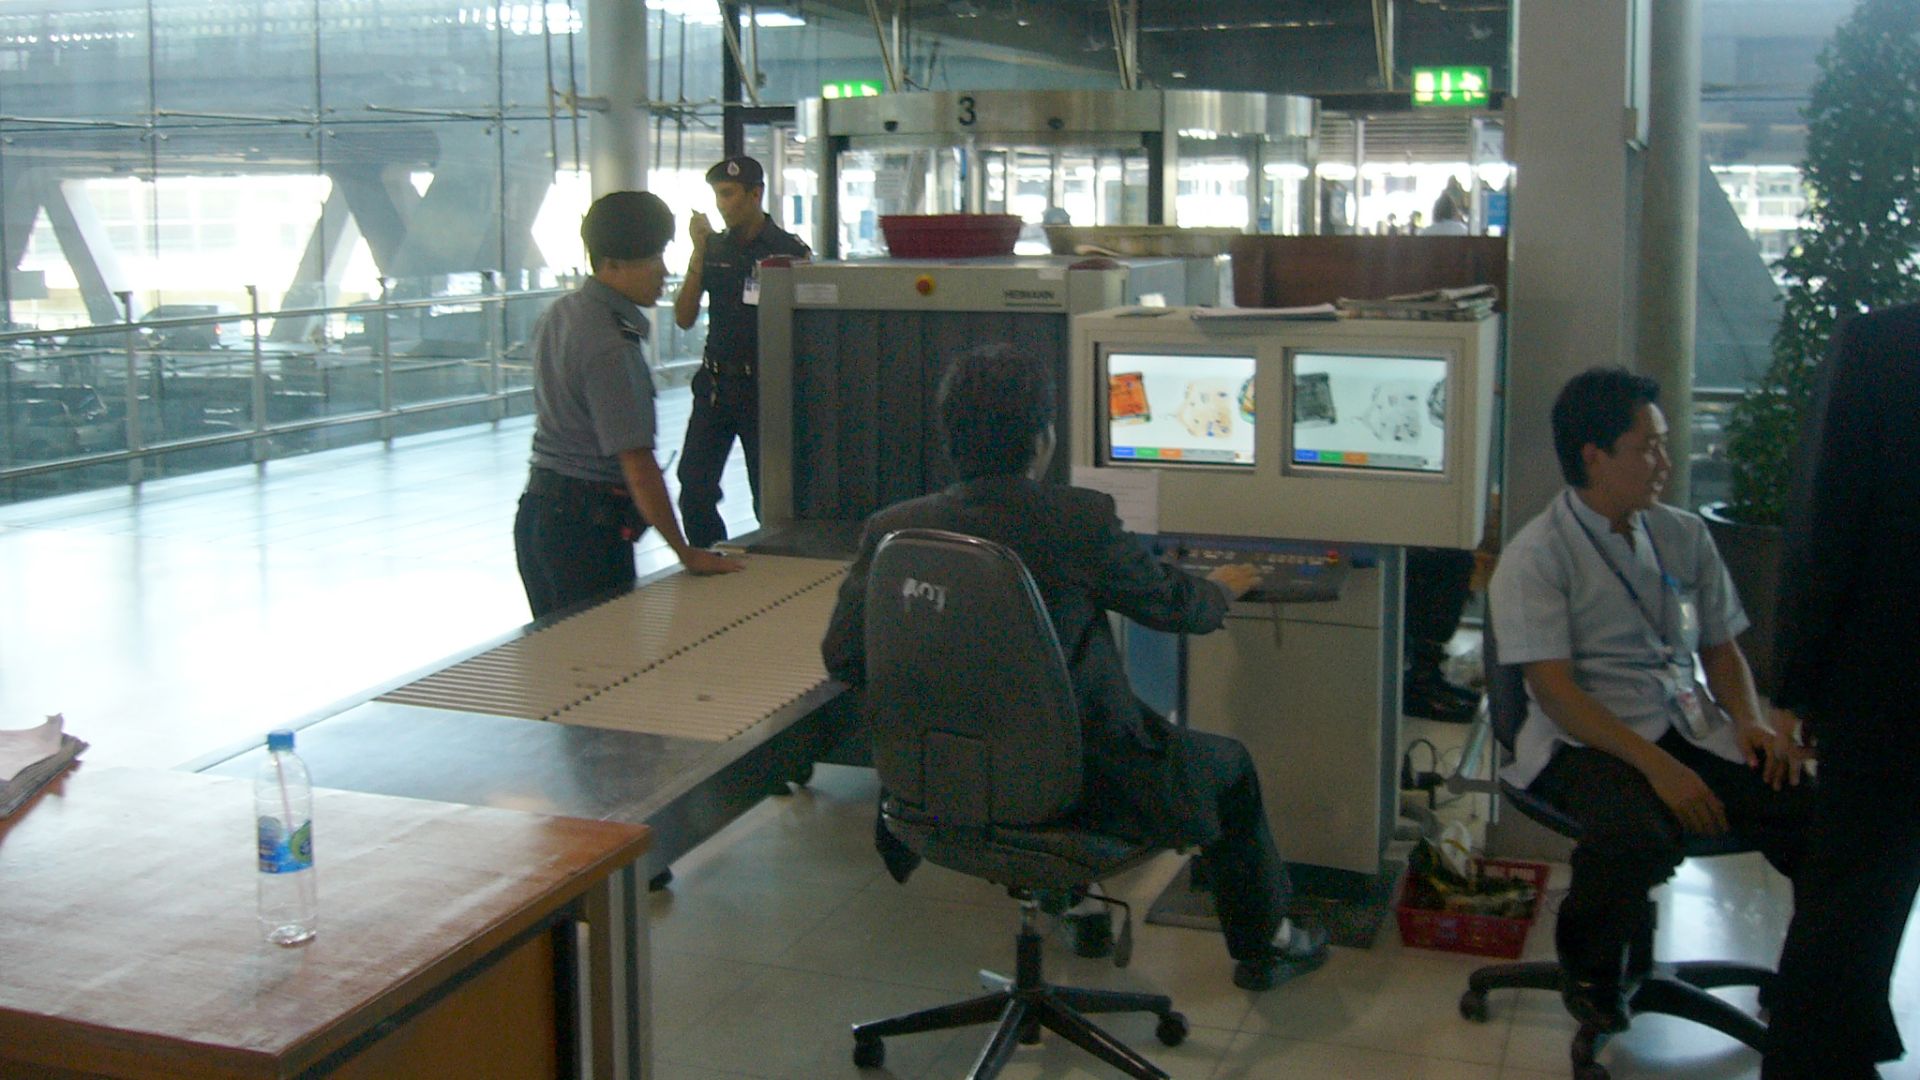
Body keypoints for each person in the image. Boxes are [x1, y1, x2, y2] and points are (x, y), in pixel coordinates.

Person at [821, 344, 1332, 992]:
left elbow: (842, 655)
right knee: (1226, 768)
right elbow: (1176, 608)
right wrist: (1223, 586)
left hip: (936, 783)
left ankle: (1082, 909)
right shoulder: (1077, 519)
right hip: (1071, 784)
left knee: (1050, 724)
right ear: (1041, 439)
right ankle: (1267, 946)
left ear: (951, 437)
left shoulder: (894, 531)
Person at [1489, 367, 1813, 1033]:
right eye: (1649, 448)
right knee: (1636, 834)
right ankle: (1591, 972)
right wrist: (1659, 768)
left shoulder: (1682, 533)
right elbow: (1554, 691)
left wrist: (1748, 721)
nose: (1665, 461)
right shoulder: (1538, 555)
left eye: (1663, 445)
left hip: (1684, 720)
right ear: (1594, 456)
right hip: (1585, 737)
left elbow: (1722, 648)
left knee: (1812, 809)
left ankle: (1810, 984)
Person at [1762, 305, 1920, 1080]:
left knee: (1869, 889)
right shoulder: (1885, 345)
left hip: (1885, 680)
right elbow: (1827, 523)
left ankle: (1841, 1032)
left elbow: (1826, 518)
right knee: (1862, 888)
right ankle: (1822, 1048)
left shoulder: (1885, 347)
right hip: (1888, 686)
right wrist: (1796, 681)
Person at [514, 191, 743, 619]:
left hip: (539, 518)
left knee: (563, 667)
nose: (662, 270)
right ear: (612, 264)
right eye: (649, 258)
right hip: (586, 535)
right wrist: (685, 552)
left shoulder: (561, 313)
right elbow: (636, 464)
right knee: (602, 665)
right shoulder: (609, 345)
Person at [672, 156, 812, 549]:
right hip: (716, 383)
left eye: (729, 194)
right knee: (694, 481)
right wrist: (698, 252)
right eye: (717, 194)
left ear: (755, 194)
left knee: (768, 490)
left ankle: (774, 561)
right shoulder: (712, 247)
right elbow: (684, 316)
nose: (721, 204)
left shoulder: (788, 250)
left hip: (764, 385)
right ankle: (708, 552)